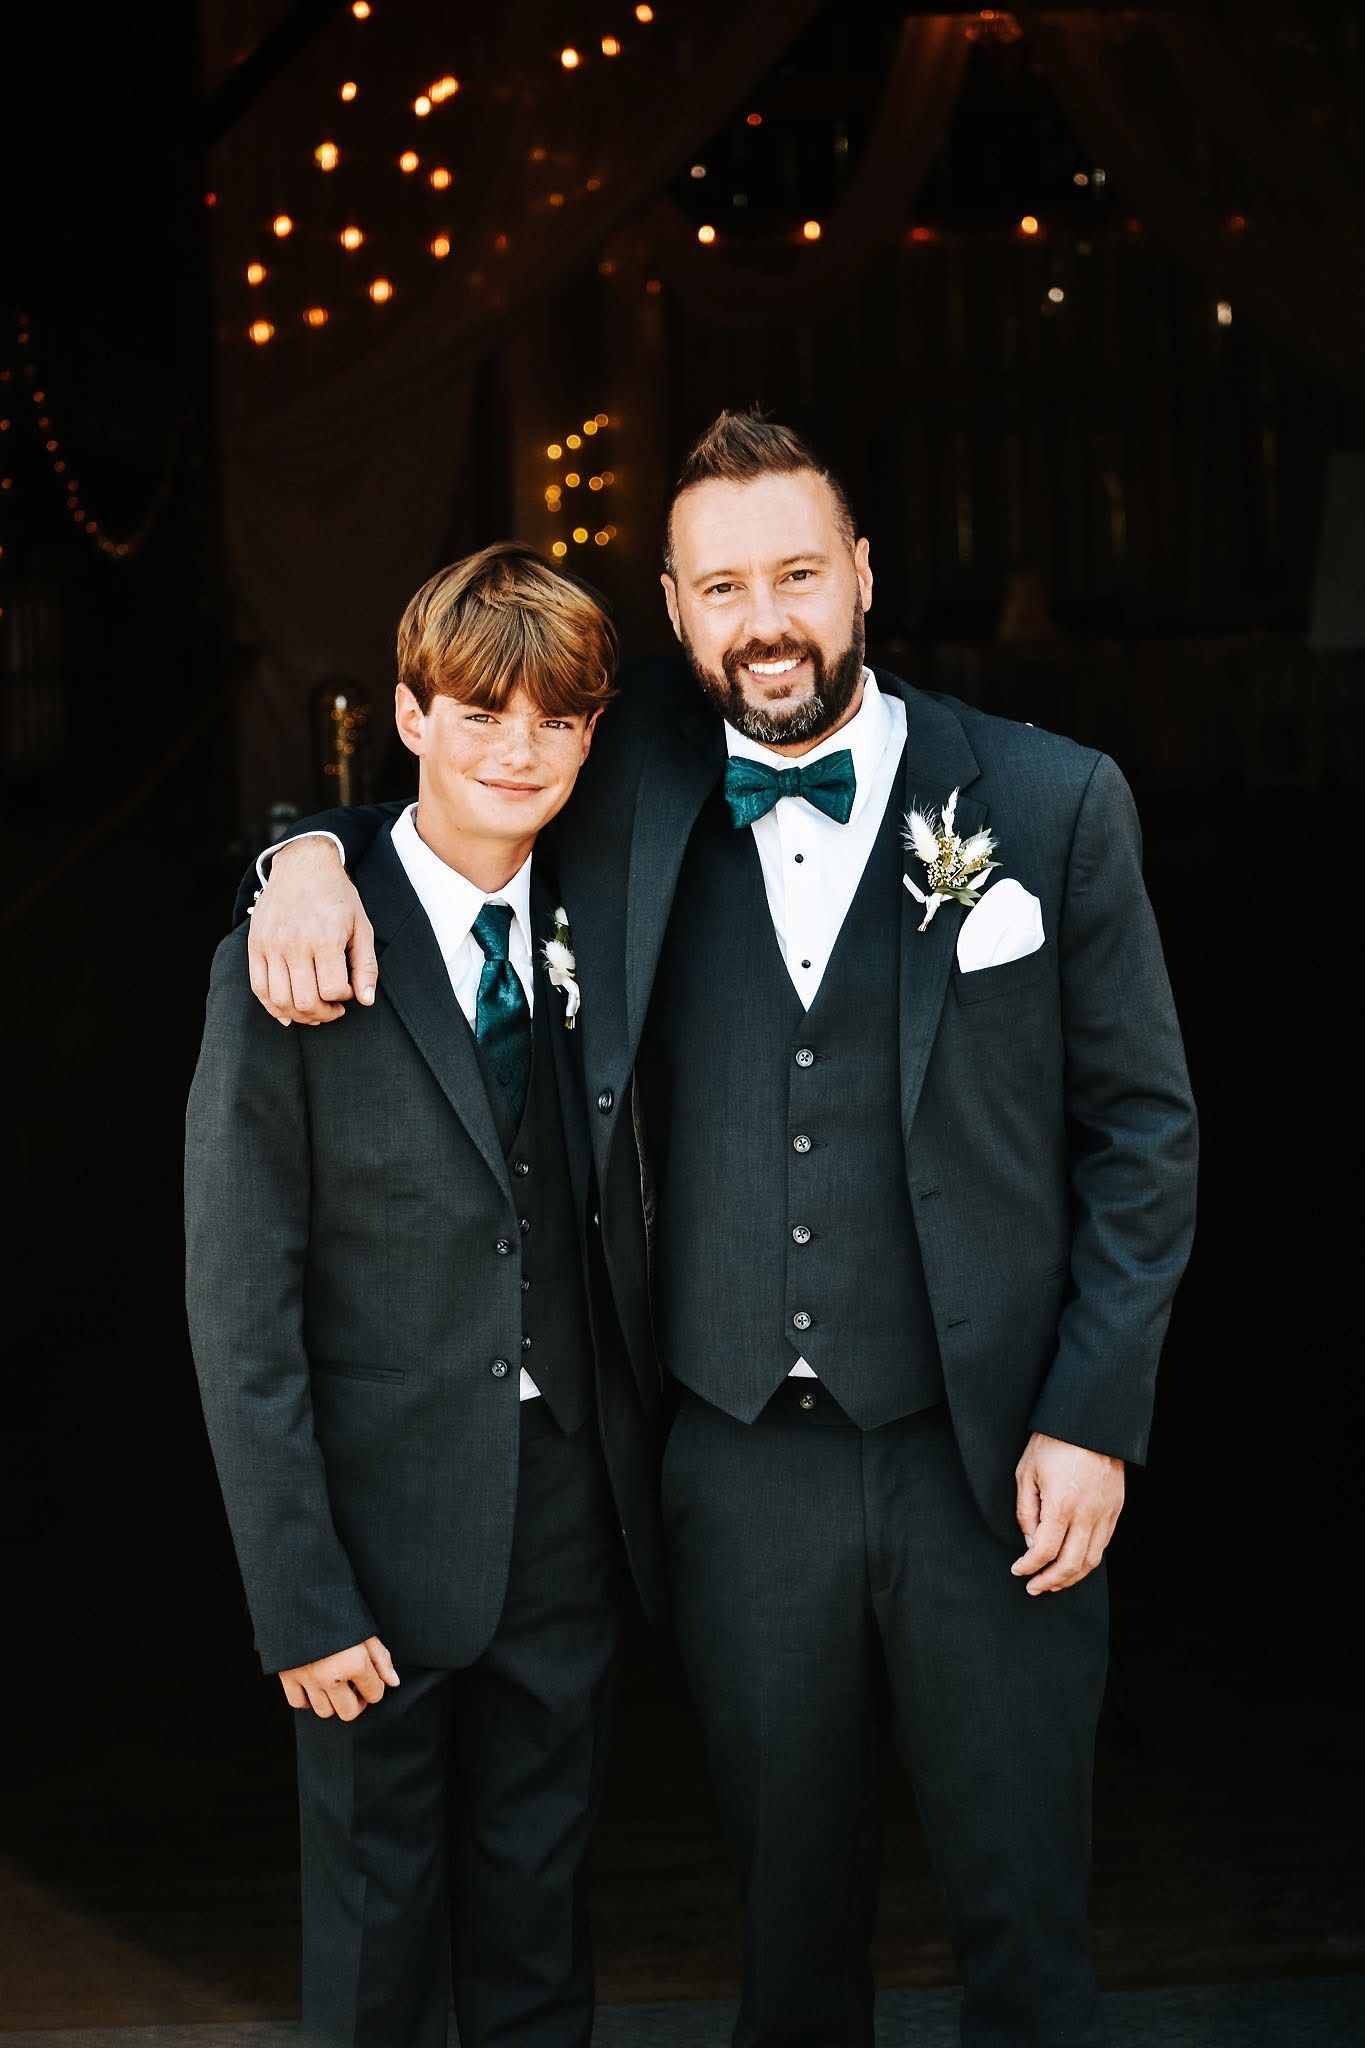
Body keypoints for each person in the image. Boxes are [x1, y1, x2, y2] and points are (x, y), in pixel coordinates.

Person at [238, 413, 1198, 2048]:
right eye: (724, 585)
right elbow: (447, 810)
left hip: (1003, 1471)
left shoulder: (1047, 804)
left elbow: (1144, 1135)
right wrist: (297, 853)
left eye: (800, 574)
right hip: (737, 1475)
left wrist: (1089, 1419)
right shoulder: (615, 805)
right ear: (677, 617)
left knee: (1027, 1936)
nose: (767, 619)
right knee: (787, 1946)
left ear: (863, 581)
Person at [185, 542, 664, 2048]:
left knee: (538, 1921)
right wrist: (298, 1598)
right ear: (408, 716)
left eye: (554, 723)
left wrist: (298, 839)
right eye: (477, 715)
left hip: (568, 1522)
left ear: (591, 736)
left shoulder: (612, 916)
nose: (516, 752)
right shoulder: (290, 956)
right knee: (378, 1939)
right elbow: (237, 1309)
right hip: (372, 1549)